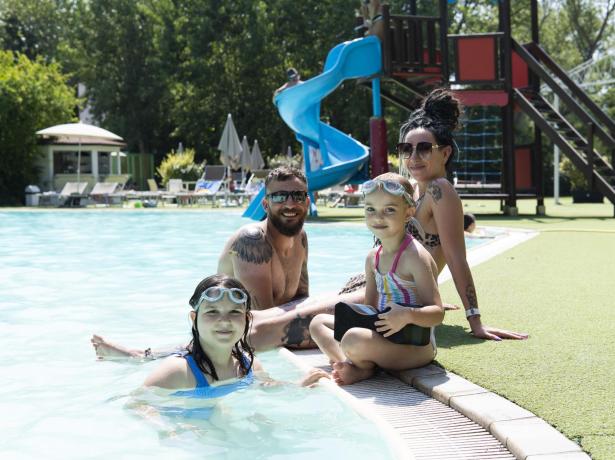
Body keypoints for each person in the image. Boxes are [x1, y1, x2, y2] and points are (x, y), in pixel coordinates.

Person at [92, 166, 364, 359]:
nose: (289, 204)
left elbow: (302, 298)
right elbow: (258, 321)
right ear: (266, 204)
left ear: (307, 202)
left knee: (332, 303)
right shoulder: (252, 241)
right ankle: (142, 355)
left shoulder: (300, 237)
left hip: (257, 329)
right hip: (228, 330)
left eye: (297, 196)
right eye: (279, 196)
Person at [398, 89, 527, 340]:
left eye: (424, 149)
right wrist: (432, 298)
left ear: (444, 153)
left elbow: (456, 258)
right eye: (407, 149)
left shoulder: (440, 191)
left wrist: (475, 320)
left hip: (400, 299)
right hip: (387, 291)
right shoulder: (410, 190)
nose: (413, 158)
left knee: (301, 324)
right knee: (306, 320)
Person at [310, 173, 444, 385]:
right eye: (371, 209)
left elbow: (437, 313)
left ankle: (360, 367)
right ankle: (355, 363)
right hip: (383, 335)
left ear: (408, 212)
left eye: (389, 210)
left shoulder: (415, 257)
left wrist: (407, 315)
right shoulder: (373, 258)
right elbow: (370, 308)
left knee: (353, 339)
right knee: (318, 323)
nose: (378, 217)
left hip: (416, 347)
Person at [142, 274, 328, 395]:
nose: (224, 321)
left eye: (234, 312)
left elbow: (266, 386)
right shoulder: (177, 371)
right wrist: (170, 430)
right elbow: (137, 405)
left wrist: (296, 386)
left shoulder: (249, 364)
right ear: (194, 318)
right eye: (212, 312)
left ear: (247, 319)